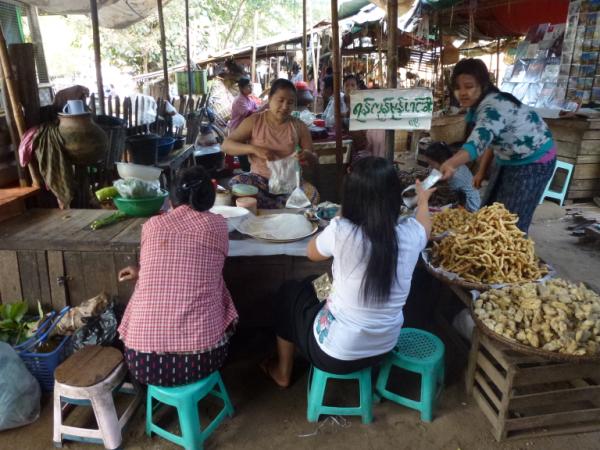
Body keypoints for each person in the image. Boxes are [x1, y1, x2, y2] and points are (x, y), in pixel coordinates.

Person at [261, 157, 434, 388]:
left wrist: (343, 214)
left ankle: (283, 372)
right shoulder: (411, 235)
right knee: (317, 283)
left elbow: (311, 253)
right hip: (383, 348)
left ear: (351, 196)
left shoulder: (342, 230)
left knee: (289, 293)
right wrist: (423, 201)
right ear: (394, 197)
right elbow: (425, 225)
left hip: (334, 354)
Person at [117, 166, 238, 387]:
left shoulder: (152, 226)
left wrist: (142, 272)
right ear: (209, 199)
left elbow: (170, 262)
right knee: (219, 287)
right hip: (204, 359)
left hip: (142, 362)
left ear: (171, 200)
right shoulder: (218, 225)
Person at [439, 58, 556, 232]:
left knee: (510, 223)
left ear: (483, 85)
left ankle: (512, 248)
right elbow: (491, 141)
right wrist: (481, 171)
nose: (462, 92)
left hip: (534, 161)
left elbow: (477, 143)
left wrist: (451, 163)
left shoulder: (493, 106)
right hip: (508, 158)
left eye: (469, 86)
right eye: (457, 87)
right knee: (490, 210)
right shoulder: (478, 105)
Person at [222, 78, 319, 209]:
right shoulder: (255, 121)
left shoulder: (299, 126)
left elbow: (313, 160)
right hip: (259, 182)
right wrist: (254, 149)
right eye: (281, 100)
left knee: (312, 194)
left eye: (290, 103)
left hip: (289, 184)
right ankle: (280, 207)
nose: (285, 106)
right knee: (236, 183)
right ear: (270, 98)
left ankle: (274, 207)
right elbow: (226, 145)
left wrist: (308, 156)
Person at [423, 141, 481, 212]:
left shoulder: (455, 175)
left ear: (443, 161)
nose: (430, 167)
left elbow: (446, 193)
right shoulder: (452, 163)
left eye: (431, 164)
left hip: (471, 207)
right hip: (461, 197)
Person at [229, 77, 258, 172]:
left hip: (246, 130)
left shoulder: (249, 99)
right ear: (241, 88)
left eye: (251, 85)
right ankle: (246, 172)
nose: (251, 88)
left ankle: (249, 171)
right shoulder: (239, 100)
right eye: (248, 86)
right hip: (238, 130)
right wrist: (262, 109)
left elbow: (256, 108)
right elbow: (248, 114)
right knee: (243, 155)